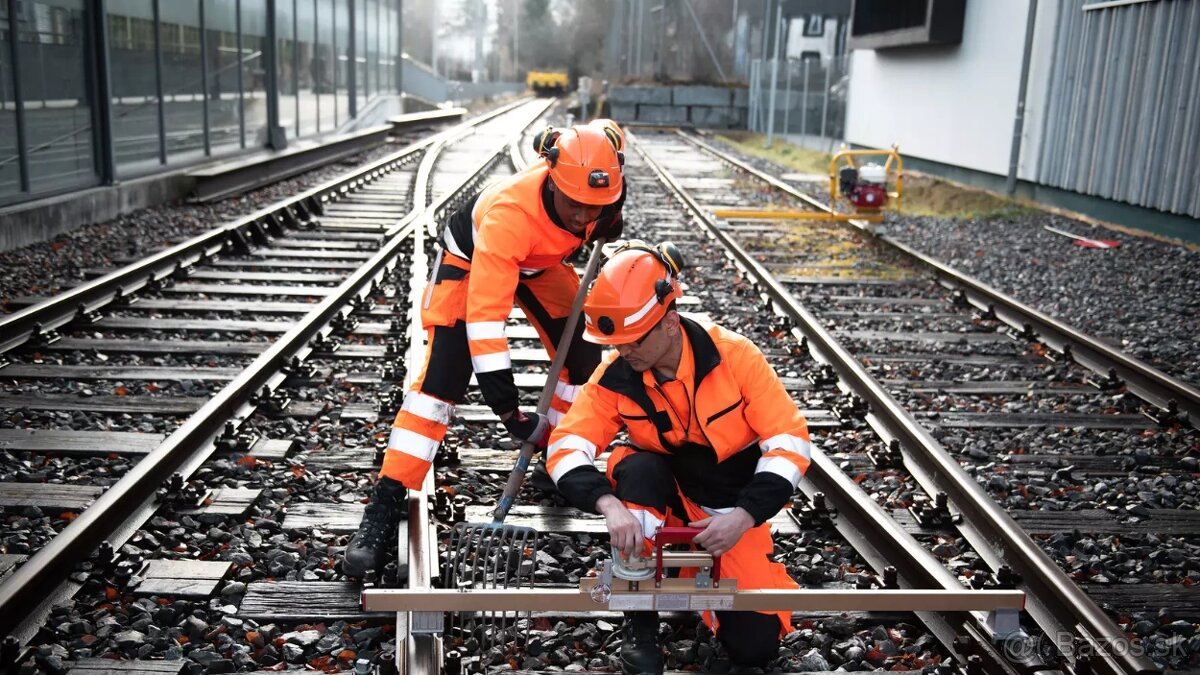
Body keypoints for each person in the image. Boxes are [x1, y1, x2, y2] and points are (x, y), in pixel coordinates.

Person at [342, 122, 627, 578]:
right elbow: (486, 322)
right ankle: (384, 502)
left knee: (584, 358)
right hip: (474, 261)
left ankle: (558, 457)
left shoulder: (600, 174)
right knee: (441, 382)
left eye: (596, 207)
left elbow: (609, 137)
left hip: (541, 264)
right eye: (575, 205)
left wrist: (608, 214)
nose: (583, 217)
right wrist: (511, 413)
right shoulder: (509, 216)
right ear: (552, 182)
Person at [545, 242, 812, 674]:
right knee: (637, 469)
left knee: (755, 647)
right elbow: (565, 446)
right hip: (660, 493)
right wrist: (608, 505)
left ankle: (690, 576)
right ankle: (640, 618)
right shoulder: (615, 375)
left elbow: (789, 442)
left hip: (723, 511)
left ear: (669, 323)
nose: (623, 351)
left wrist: (743, 517)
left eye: (633, 340)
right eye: (616, 343)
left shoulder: (737, 358)